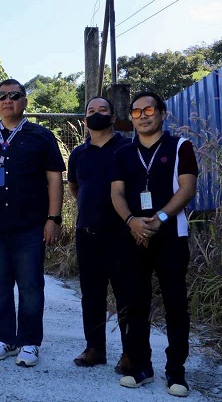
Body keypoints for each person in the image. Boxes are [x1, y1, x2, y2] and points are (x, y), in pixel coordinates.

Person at [0, 78, 65, 367]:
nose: (7, 100)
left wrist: (53, 218)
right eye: (1, 96)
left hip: (31, 226)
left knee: (31, 285)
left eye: (14, 95)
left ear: (24, 101)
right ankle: (4, 338)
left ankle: (30, 342)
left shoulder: (41, 136)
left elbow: (54, 179)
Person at [111, 91, 198, 397]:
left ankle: (176, 372)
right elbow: (117, 193)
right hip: (132, 236)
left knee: (176, 306)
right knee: (135, 304)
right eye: (135, 112)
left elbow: (187, 189)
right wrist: (131, 221)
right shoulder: (122, 152)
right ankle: (141, 367)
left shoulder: (180, 147)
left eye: (149, 110)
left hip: (171, 236)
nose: (142, 116)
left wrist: (159, 217)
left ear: (162, 113)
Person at [68, 97, 132, 372]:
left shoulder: (128, 147)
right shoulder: (78, 154)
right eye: (91, 111)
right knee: (91, 294)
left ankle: (131, 352)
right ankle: (95, 348)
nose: (96, 114)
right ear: (85, 119)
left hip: (122, 233)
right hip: (87, 232)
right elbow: (74, 188)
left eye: (102, 110)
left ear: (113, 115)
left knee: (127, 293)